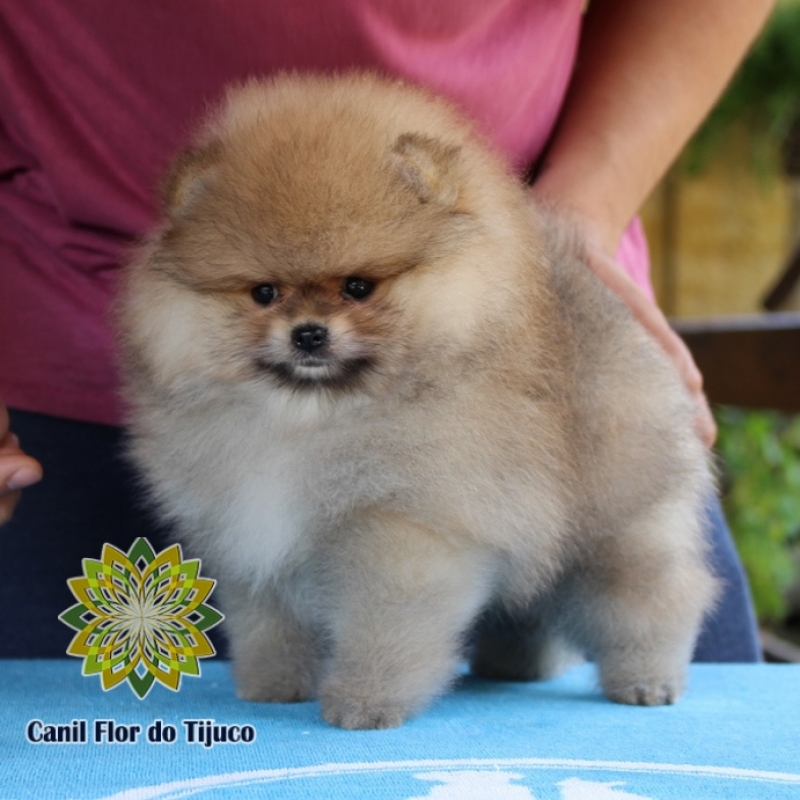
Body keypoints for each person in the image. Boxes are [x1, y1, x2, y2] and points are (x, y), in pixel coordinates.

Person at [0, 0, 771, 659]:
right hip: (66, 378)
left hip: (533, 333)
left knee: (645, 680)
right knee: (106, 744)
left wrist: (579, 217)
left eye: (355, 290)